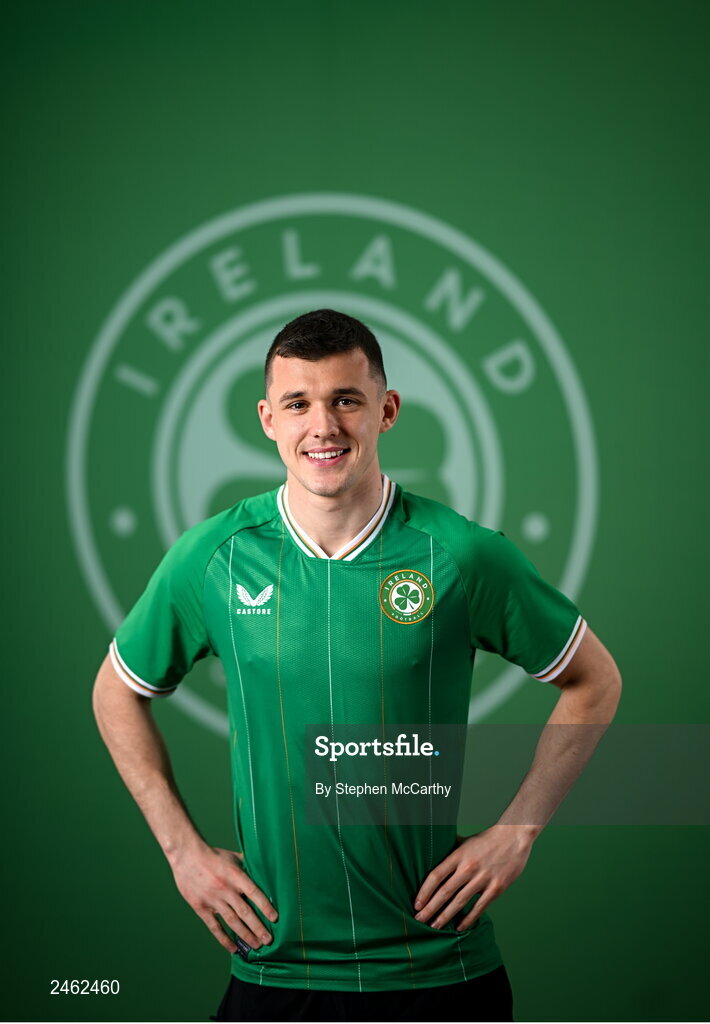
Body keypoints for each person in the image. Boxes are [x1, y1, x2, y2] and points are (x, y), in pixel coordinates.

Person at [92, 308, 622, 1023]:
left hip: (440, 971)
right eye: (298, 404)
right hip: (273, 971)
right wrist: (181, 849)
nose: (324, 426)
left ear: (387, 410)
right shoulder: (213, 557)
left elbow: (594, 680)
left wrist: (517, 831)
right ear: (267, 419)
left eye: (346, 399)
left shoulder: (462, 556)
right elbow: (116, 692)